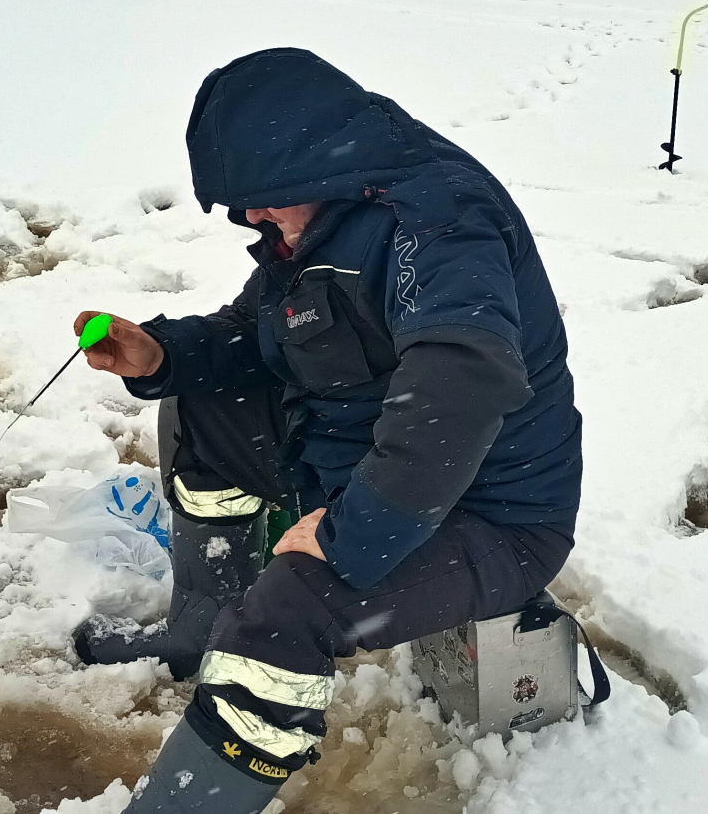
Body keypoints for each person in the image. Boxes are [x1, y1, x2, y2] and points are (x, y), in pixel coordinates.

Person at [71, 48, 582, 812]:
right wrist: (162, 353)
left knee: (290, 611)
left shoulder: (439, 221)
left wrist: (350, 535)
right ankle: (200, 628)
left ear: (309, 163)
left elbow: (462, 384)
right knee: (197, 406)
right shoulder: (315, 219)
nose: (248, 217)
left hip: (489, 515)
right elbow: (257, 331)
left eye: (258, 198)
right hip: (361, 464)